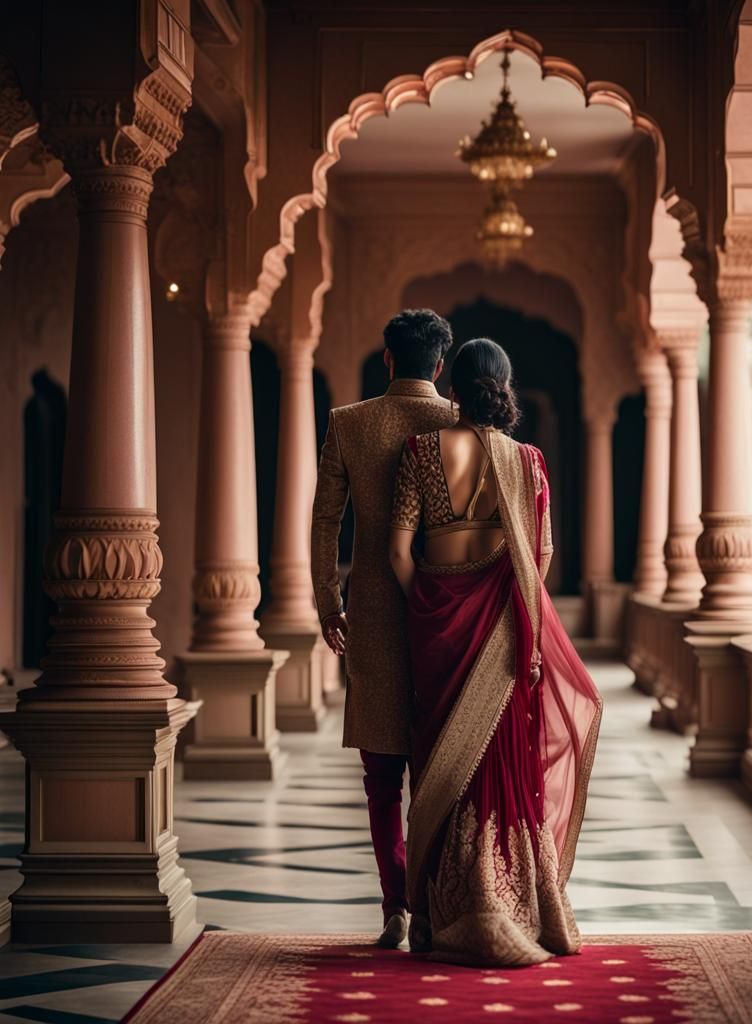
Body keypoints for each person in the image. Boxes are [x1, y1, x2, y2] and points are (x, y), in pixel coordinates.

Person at [389, 338, 603, 966]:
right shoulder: (527, 461)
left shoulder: (421, 452)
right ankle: (511, 901)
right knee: (501, 760)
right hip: (505, 628)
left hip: (436, 629)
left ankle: (442, 912)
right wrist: (511, 611)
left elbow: (399, 552)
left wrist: (428, 603)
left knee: (438, 758)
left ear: (451, 387)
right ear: (503, 388)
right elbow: (541, 555)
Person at [310, 309, 456, 949]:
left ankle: (395, 905)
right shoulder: (459, 424)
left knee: (381, 776)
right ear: (440, 365)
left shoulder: (349, 422)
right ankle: (430, 907)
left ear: (389, 358)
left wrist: (327, 599)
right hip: (442, 612)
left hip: (369, 609)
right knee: (436, 765)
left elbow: (325, 522)